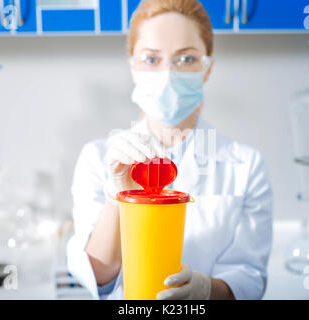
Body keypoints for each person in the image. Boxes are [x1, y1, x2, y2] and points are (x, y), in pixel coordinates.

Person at [66, 0, 273, 300]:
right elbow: (97, 278)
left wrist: (205, 291)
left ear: (207, 68)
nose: (168, 75)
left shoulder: (247, 165)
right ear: (133, 67)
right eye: (151, 59)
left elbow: (250, 279)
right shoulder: (97, 159)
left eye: (186, 59)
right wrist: (118, 196)